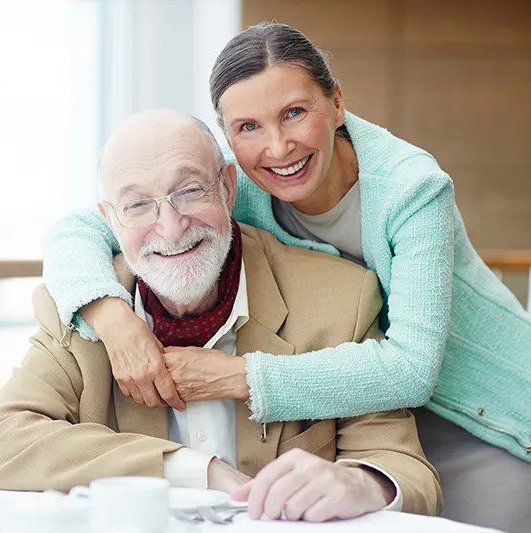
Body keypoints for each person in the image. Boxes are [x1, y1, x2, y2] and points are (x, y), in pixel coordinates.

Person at [41, 22, 531, 533]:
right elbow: (75, 230)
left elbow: (412, 369)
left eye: (294, 113)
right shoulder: (234, 183)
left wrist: (233, 377)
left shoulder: (413, 189)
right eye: (248, 127)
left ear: (336, 104)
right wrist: (112, 315)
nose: (278, 148)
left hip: (490, 419)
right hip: (376, 421)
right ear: (227, 138)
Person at [0, 109, 441, 521]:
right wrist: (196, 471)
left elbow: (408, 472)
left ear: (228, 188)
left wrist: (361, 483)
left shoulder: (342, 297)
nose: (171, 227)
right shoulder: (80, 310)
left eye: (190, 190)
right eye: (137, 204)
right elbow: (2, 445)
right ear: (110, 220)